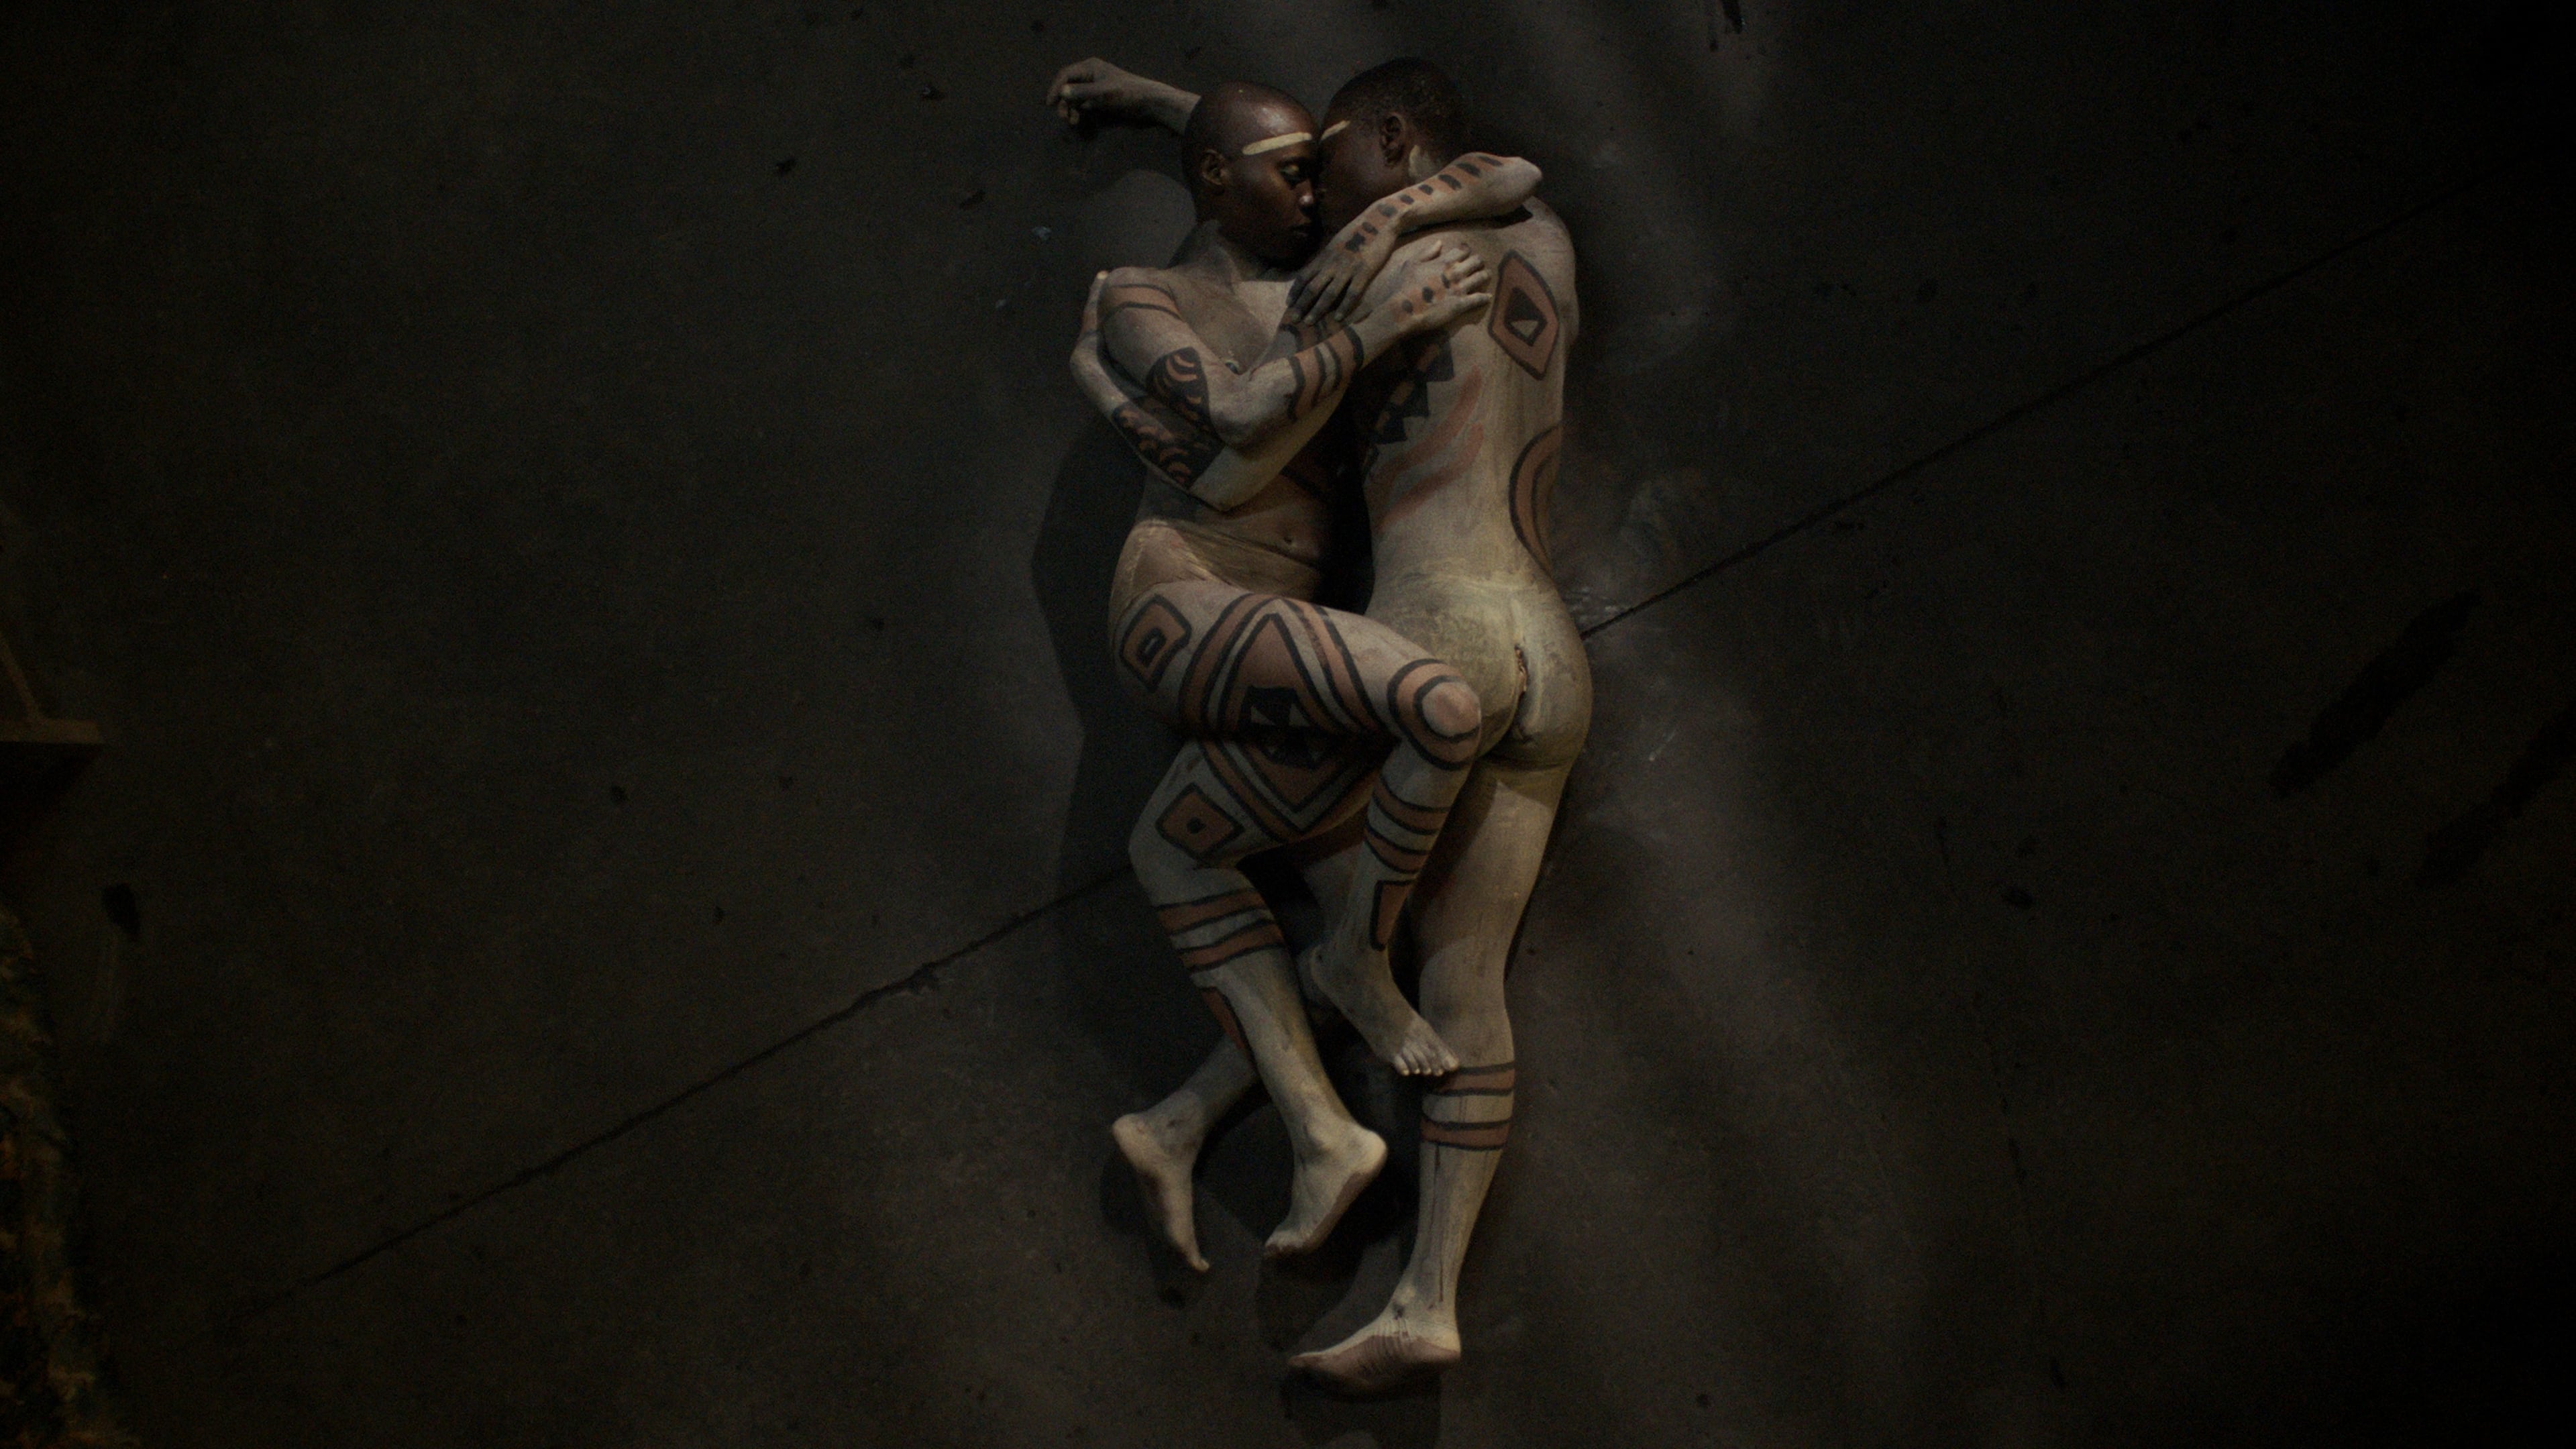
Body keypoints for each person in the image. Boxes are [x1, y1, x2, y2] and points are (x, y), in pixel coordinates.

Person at [1062, 56, 1593, 1393]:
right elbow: (1475, 169)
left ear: (1392, 140)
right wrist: (1153, 103)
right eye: (1295, 172)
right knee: (1463, 979)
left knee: (1207, 854)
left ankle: (1260, 1088)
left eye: (1335, 159)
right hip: (1548, 646)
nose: (1318, 195)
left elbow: (1237, 429)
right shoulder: (1540, 236)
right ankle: (1425, 1298)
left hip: (1437, 631)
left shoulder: (1360, 268)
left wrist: (1107, 388)